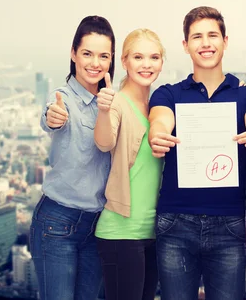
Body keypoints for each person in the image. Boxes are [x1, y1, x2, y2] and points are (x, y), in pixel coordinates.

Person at [148, 6, 246, 300]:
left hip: (229, 225)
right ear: (185, 45)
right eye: (197, 37)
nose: (205, 43)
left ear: (225, 41)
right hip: (176, 223)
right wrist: (157, 135)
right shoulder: (168, 93)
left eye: (213, 35)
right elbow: (160, 119)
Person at [30, 15, 115, 300]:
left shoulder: (110, 102)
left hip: (97, 225)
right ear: (73, 54)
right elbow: (51, 116)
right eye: (87, 53)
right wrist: (52, 117)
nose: (95, 63)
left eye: (103, 56)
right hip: (57, 222)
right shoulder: (62, 98)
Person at [93, 28, 165, 300]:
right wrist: (103, 110)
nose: (146, 64)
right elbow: (104, 141)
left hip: (152, 231)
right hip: (121, 231)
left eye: (154, 57)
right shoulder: (117, 103)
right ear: (124, 62)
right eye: (138, 57)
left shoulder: (157, 106)